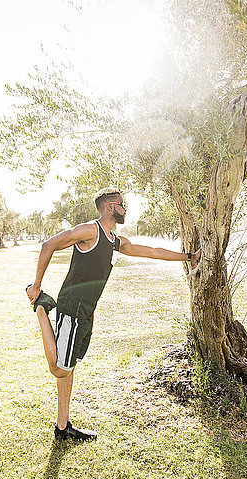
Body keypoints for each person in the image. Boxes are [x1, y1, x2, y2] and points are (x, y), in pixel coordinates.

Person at [26, 187, 201, 441]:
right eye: (122, 204)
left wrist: (187, 257)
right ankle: (42, 308)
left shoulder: (113, 240)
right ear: (110, 206)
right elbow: (49, 244)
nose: (125, 208)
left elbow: (150, 251)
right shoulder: (90, 231)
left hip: (87, 310)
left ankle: (62, 427)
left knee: (70, 365)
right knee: (59, 369)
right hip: (72, 306)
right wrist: (37, 284)